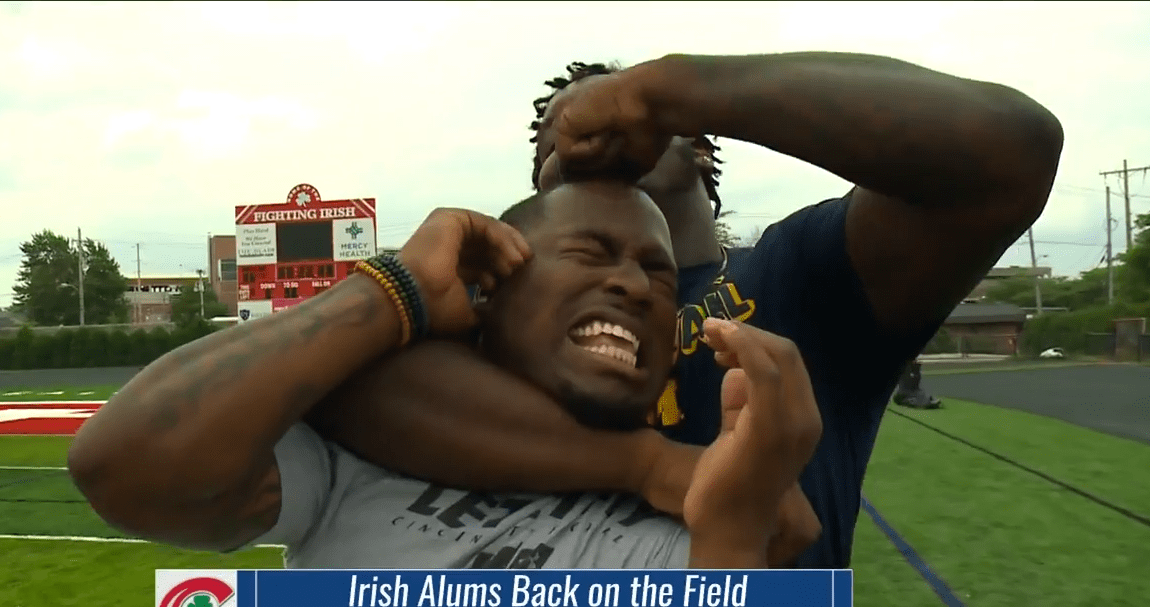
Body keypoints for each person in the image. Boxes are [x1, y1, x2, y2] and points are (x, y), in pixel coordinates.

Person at [310, 52, 1064, 569]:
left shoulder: (800, 272)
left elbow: (1012, 155)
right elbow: (330, 381)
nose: (587, 137)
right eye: (555, 135)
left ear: (701, 145)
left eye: (618, 117)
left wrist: (665, 87)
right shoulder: (508, 290)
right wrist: (656, 467)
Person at [67, 182, 822, 577]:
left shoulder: (714, 504)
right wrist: (388, 290)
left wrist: (728, 535)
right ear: (487, 288)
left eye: (659, 275)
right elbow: (124, 466)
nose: (633, 284)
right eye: (591, 253)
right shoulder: (352, 459)